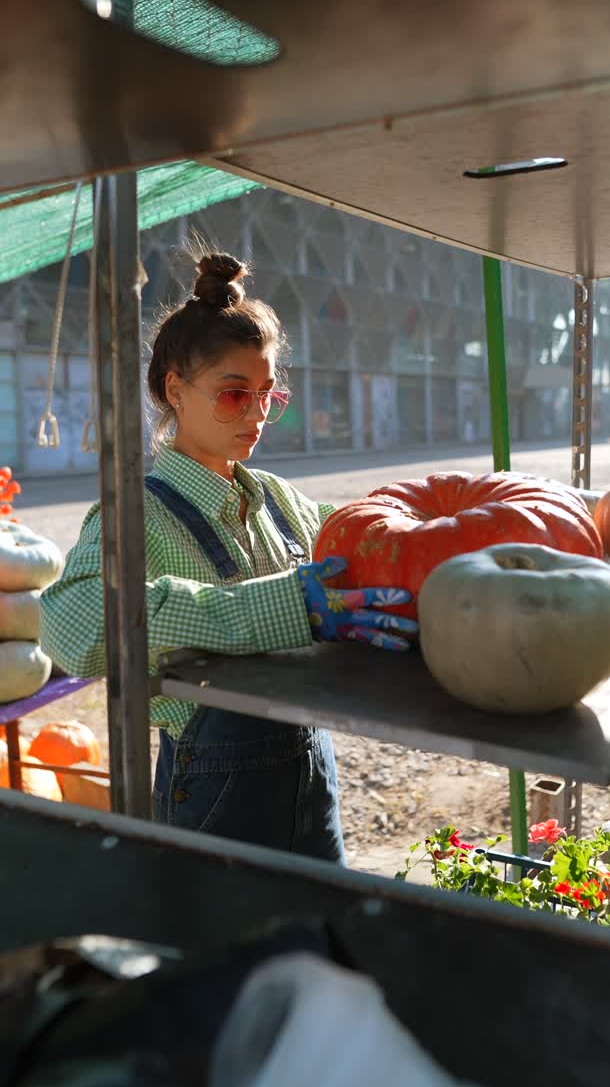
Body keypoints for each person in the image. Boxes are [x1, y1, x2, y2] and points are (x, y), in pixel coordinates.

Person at [40, 251, 417, 863]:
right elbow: (72, 625)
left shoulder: (277, 500)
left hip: (309, 774)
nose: (257, 415)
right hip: (213, 793)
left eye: (269, 395)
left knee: (317, 929)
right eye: (234, 395)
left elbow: (371, 543)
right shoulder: (138, 515)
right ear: (174, 391)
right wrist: (282, 606)